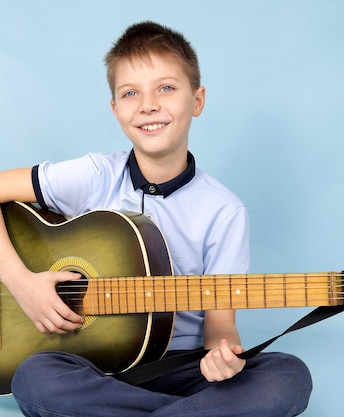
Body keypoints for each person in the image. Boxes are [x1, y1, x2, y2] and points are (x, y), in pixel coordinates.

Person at [0, 21, 312, 417]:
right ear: (116, 110)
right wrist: (22, 283)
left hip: (186, 368)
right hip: (95, 366)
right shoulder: (94, 175)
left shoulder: (223, 210)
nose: (148, 104)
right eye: (131, 93)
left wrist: (222, 355)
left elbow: (220, 325)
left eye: (166, 87)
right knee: (34, 376)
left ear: (197, 101)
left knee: (288, 376)